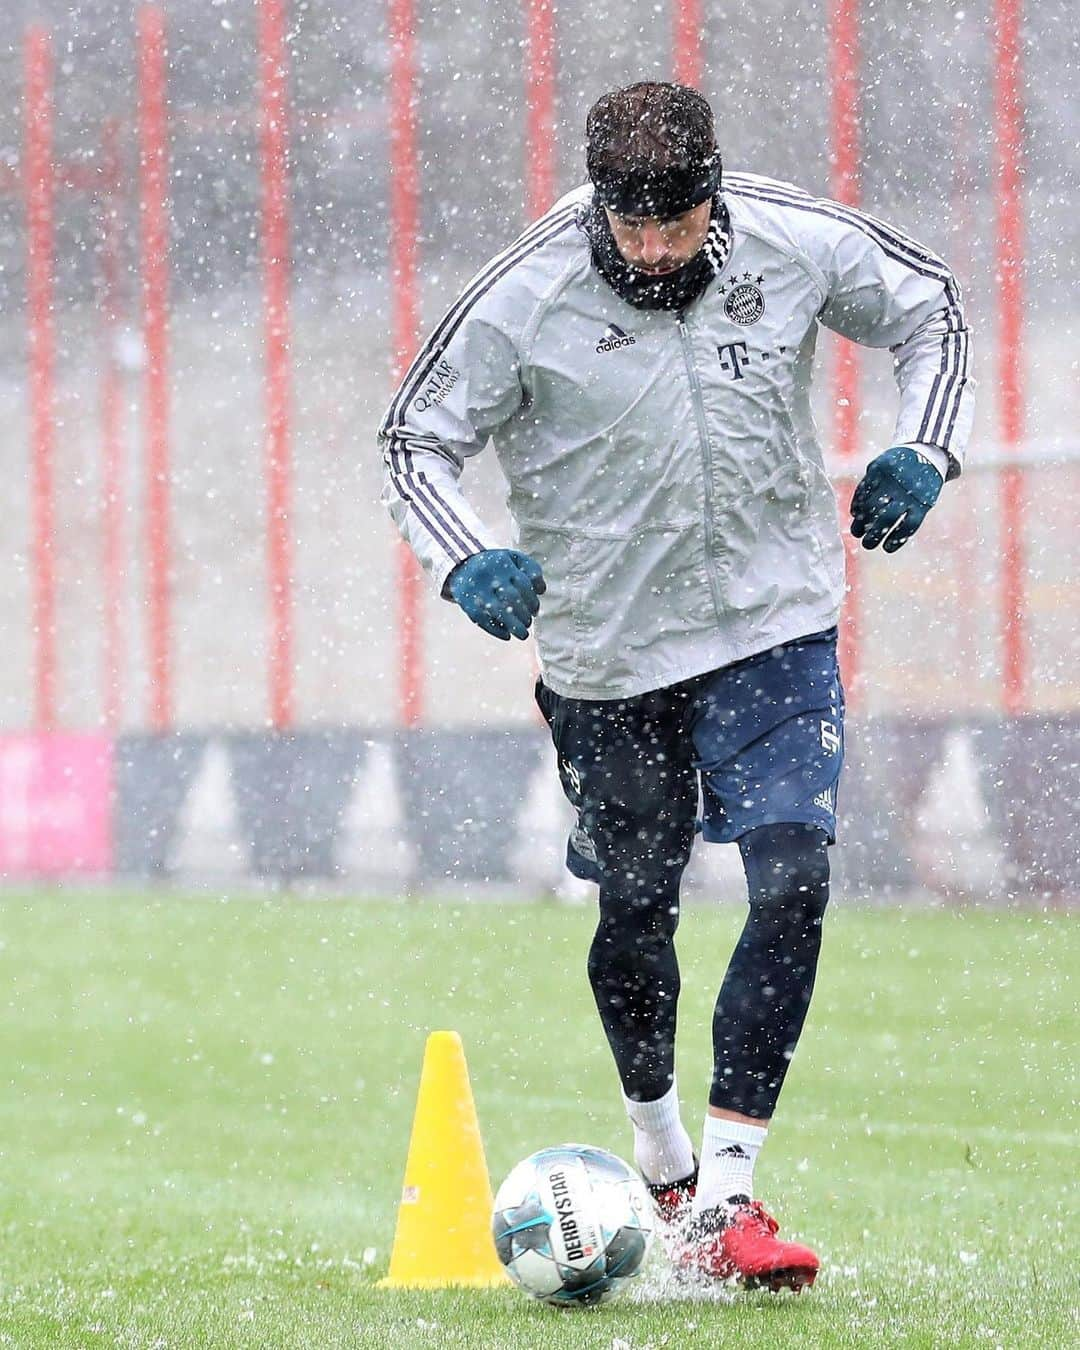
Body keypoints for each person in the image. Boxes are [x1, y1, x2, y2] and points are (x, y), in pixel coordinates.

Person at [380, 82, 972, 1290]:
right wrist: (464, 556)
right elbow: (412, 437)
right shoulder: (522, 295)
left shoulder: (793, 237)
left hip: (775, 626)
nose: (654, 250)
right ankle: (662, 1166)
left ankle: (734, 1202)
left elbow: (935, 312)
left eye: (678, 223)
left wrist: (923, 445)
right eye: (632, 227)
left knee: (796, 877)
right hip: (609, 657)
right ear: (600, 205)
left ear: (714, 193)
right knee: (637, 911)